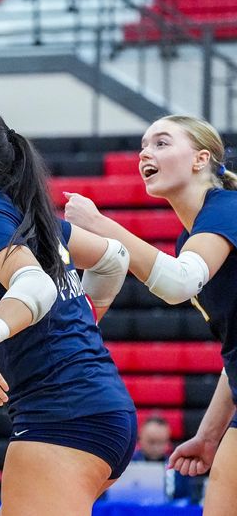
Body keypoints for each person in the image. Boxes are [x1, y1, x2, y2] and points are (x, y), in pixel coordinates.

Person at [0, 99, 137, 515]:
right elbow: (113, 259)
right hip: (94, 410)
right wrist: (89, 318)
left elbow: (34, 283)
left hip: (62, 419)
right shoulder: (16, 212)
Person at [64, 114, 237, 515]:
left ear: (200, 159)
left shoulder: (226, 209)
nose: (145, 151)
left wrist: (101, 225)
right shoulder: (192, 237)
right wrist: (209, 435)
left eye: (161, 143)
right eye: (143, 145)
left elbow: (178, 284)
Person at [130, 416, 191, 500]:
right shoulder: (126, 466)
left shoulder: (178, 468)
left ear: (168, 441)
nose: (156, 448)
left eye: (161, 442)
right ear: (140, 438)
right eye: (151, 442)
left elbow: (185, 501)